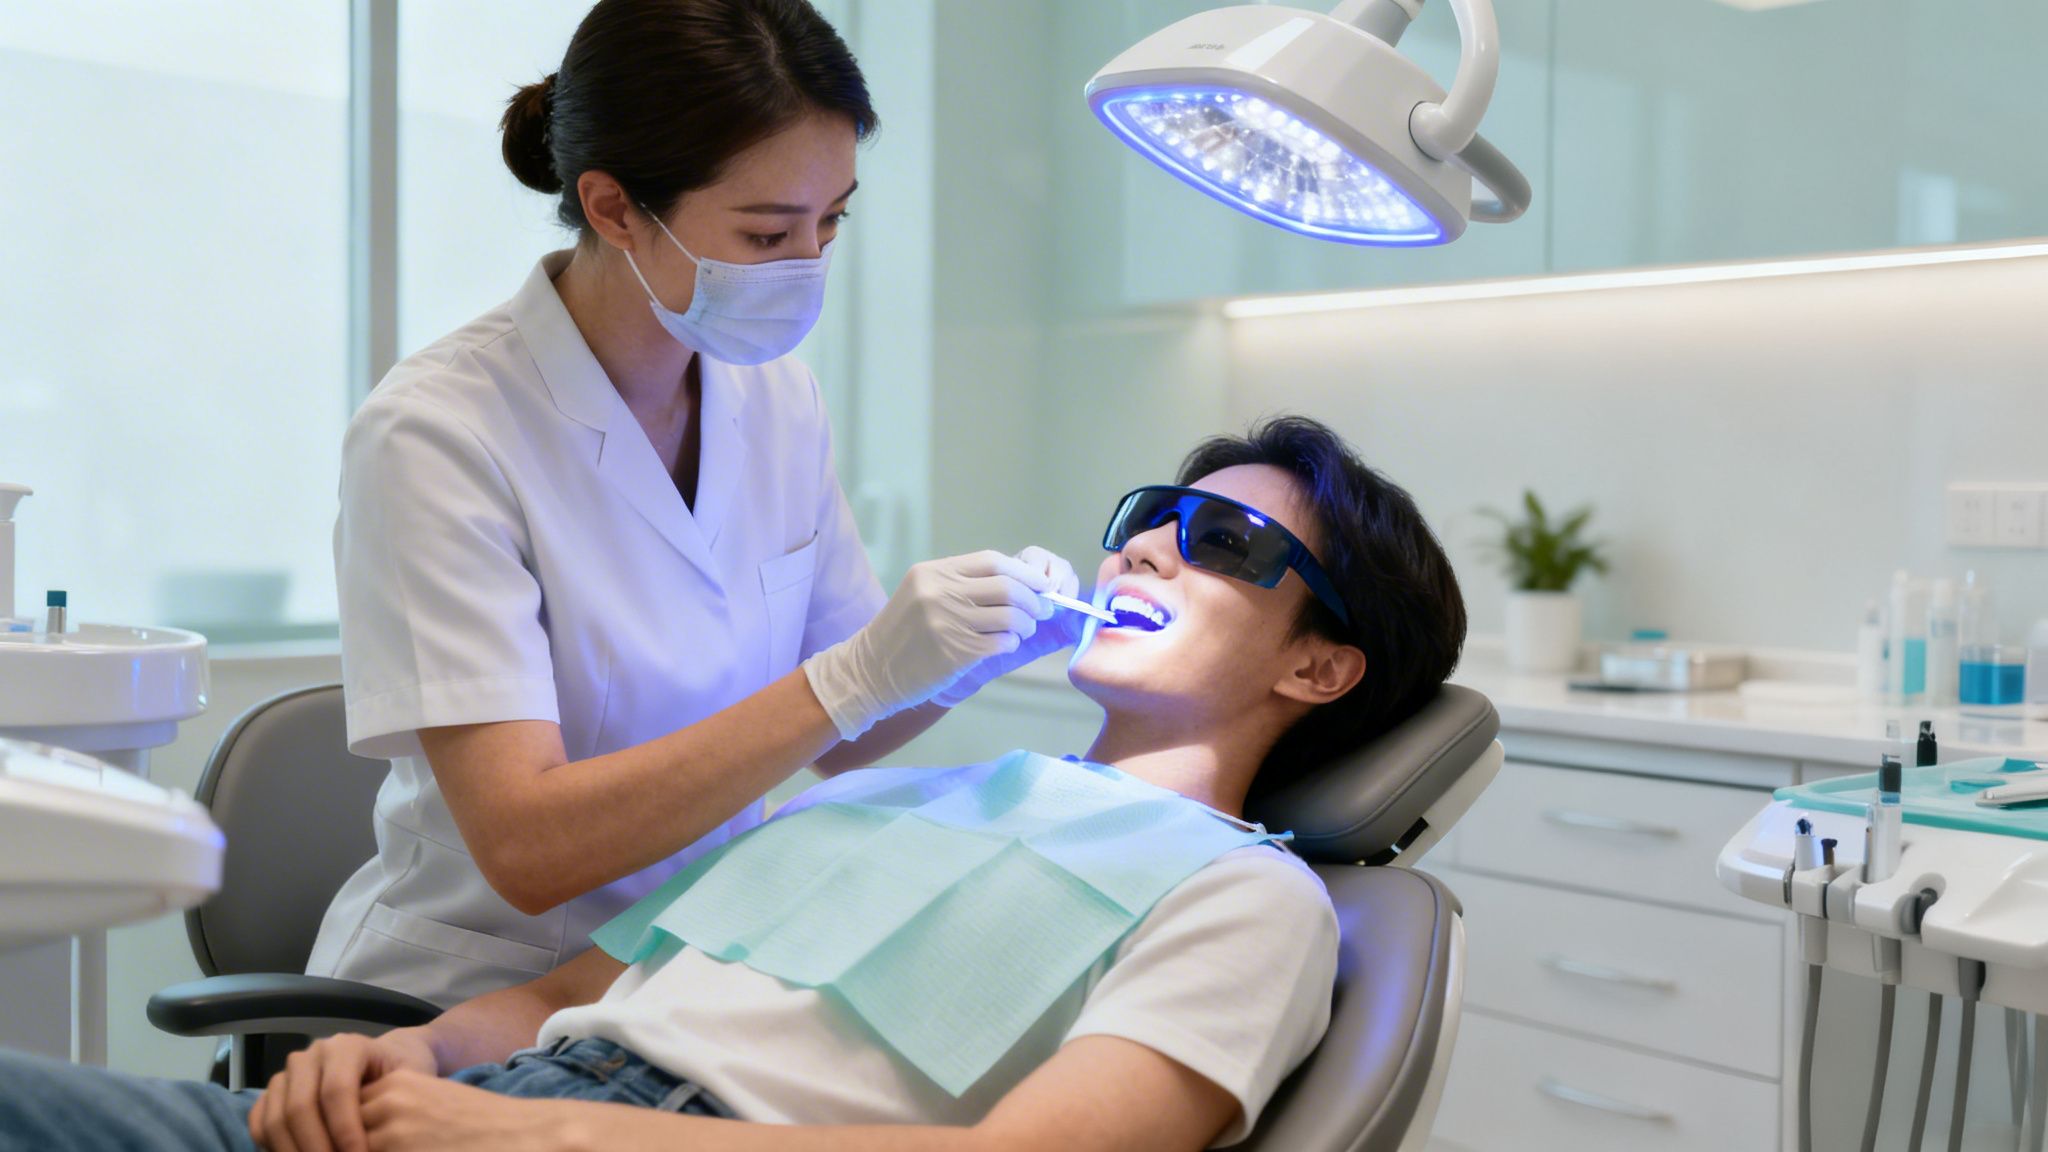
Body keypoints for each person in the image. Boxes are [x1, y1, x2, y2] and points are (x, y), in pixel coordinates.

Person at [0, 416, 1467, 1151]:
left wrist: (538, 1133)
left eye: (1231, 548)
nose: (1148, 550)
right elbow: (557, 997)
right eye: (1153, 519)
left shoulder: (1248, 898)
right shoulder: (899, 797)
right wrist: (408, 1063)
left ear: (1323, 670)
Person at [313, 0, 1083, 1008]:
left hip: (685, 975)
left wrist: (961, 659)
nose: (808, 264)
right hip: (472, 986)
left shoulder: (776, 400)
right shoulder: (439, 433)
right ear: (614, 208)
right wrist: (850, 678)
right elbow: (527, 845)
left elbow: (849, 731)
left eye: (831, 219)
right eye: (766, 232)